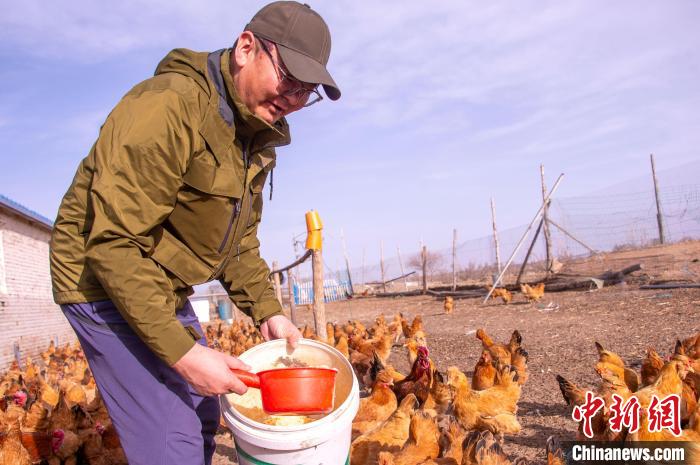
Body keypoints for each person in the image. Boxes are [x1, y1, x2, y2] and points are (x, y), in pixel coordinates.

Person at [48, 2, 340, 464]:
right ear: (247, 48)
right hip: (98, 277)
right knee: (172, 435)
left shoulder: (254, 135)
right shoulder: (168, 107)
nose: (294, 98)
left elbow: (237, 243)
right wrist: (184, 356)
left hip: (156, 277)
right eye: (289, 78)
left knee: (204, 408)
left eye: (308, 90)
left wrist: (269, 312)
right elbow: (114, 244)